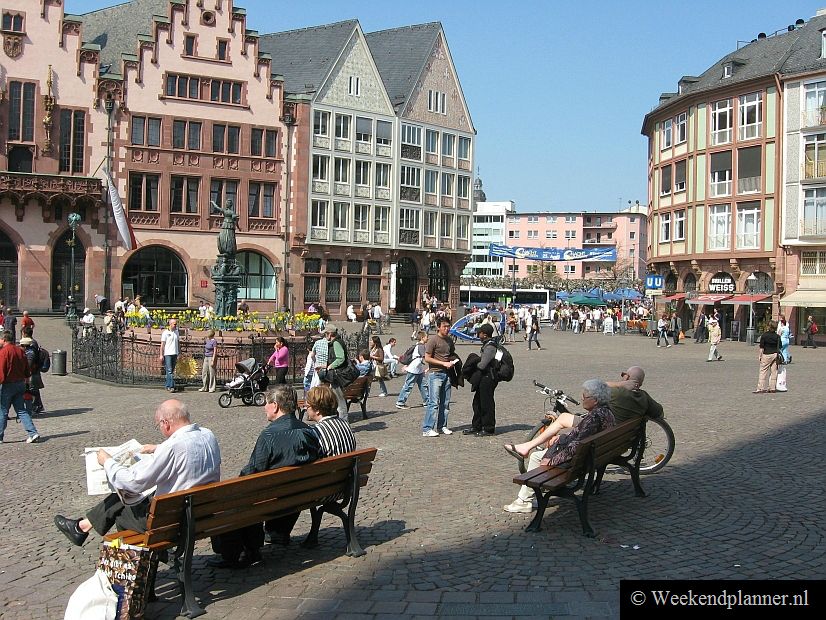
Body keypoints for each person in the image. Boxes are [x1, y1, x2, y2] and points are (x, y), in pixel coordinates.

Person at [54, 400, 221, 545]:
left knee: (123, 510)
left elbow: (134, 483)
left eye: (158, 425)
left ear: (166, 423)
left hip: (173, 521)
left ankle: (145, 561)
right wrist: (158, 448)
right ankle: (82, 527)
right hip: (203, 512)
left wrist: (107, 462)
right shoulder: (207, 434)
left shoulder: (172, 447)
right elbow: (188, 450)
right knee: (127, 496)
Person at [502, 379, 615, 513]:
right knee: (539, 454)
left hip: (579, 463)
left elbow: (576, 447)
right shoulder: (606, 412)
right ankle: (529, 497)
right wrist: (562, 438)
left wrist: (552, 460)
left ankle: (523, 501)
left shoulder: (594, 418)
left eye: (585, 396)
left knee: (536, 457)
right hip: (592, 457)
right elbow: (581, 438)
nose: (581, 398)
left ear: (595, 400)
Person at [232, 385, 321, 554]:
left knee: (243, 492)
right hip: (303, 492)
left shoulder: (269, 435)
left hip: (273, 497)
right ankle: (278, 531)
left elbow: (253, 471)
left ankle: (247, 547)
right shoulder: (308, 431)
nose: (264, 407)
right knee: (291, 484)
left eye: (266, 403)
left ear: (275, 406)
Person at [0, 330, 41, 443]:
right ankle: (33, 433)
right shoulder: (20, 350)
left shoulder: (4, 352)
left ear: (4, 339)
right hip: (20, 384)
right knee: (21, 410)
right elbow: (27, 368)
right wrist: (26, 379)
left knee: (3, 410)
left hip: (8, 384)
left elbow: (1, 370)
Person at [422, 317, 459, 437]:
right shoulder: (433, 340)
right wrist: (443, 363)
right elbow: (427, 358)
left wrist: (454, 361)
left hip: (447, 373)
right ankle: (427, 428)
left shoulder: (449, 340)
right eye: (444, 326)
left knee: (445, 402)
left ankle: (442, 426)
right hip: (435, 374)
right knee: (433, 403)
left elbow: (451, 354)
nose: (447, 329)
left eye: (448, 326)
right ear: (438, 327)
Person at [463, 323, 499, 436]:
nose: (478, 335)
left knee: (486, 404)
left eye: (480, 333)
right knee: (477, 403)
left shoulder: (490, 347)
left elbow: (482, 365)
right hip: (483, 377)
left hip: (488, 378)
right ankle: (477, 426)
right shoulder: (487, 344)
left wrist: (474, 362)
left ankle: (488, 428)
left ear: (485, 334)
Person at [305, 385, 356, 458]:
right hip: (348, 464)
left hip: (330, 465)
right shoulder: (345, 423)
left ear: (317, 410)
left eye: (307, 406)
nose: (306, 409)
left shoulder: (316, 431)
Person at [395, 331, 429, 410]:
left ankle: (427, 401)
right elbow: (425, 357)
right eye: (426, 337)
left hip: (418, 369)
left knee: (423, 385)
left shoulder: (418, 345)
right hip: (414, 369)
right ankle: (400, 402)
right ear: (422, 338)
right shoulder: (421, 346)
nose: (428, 338)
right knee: (409, 385)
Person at [19, 327, 45, 414]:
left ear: (25, 333)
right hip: (33, 370)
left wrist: (27, 369)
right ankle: (38, 405)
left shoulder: (31, 343)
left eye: (22, 333)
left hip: (32, 370)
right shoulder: (32, 342)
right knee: (34, 388)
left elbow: (31, 357)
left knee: (32, 388)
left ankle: (35, 406)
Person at [754, 320, 780, 393]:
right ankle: (772, 388)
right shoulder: (777, 336)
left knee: (763, 371)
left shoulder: (764, 335)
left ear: (769, 326)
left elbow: (762, 347)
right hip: (775, 354)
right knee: (774, 372)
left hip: (766, 354)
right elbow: (780, 346)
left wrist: (760, 355)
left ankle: (760, 388)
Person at [159, 318, 180, 393]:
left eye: (176, 324)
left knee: (171, 371)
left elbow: (178, 343)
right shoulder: (165, 333)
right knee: (169, 370)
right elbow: (162, 345)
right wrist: (161, 355)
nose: (175, 325)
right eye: (174, 324)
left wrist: (179, 353)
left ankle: (167, 385)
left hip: (175, 353)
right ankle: (171, 386)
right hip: (168, 354)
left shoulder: (176, 332)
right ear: (170, 324)